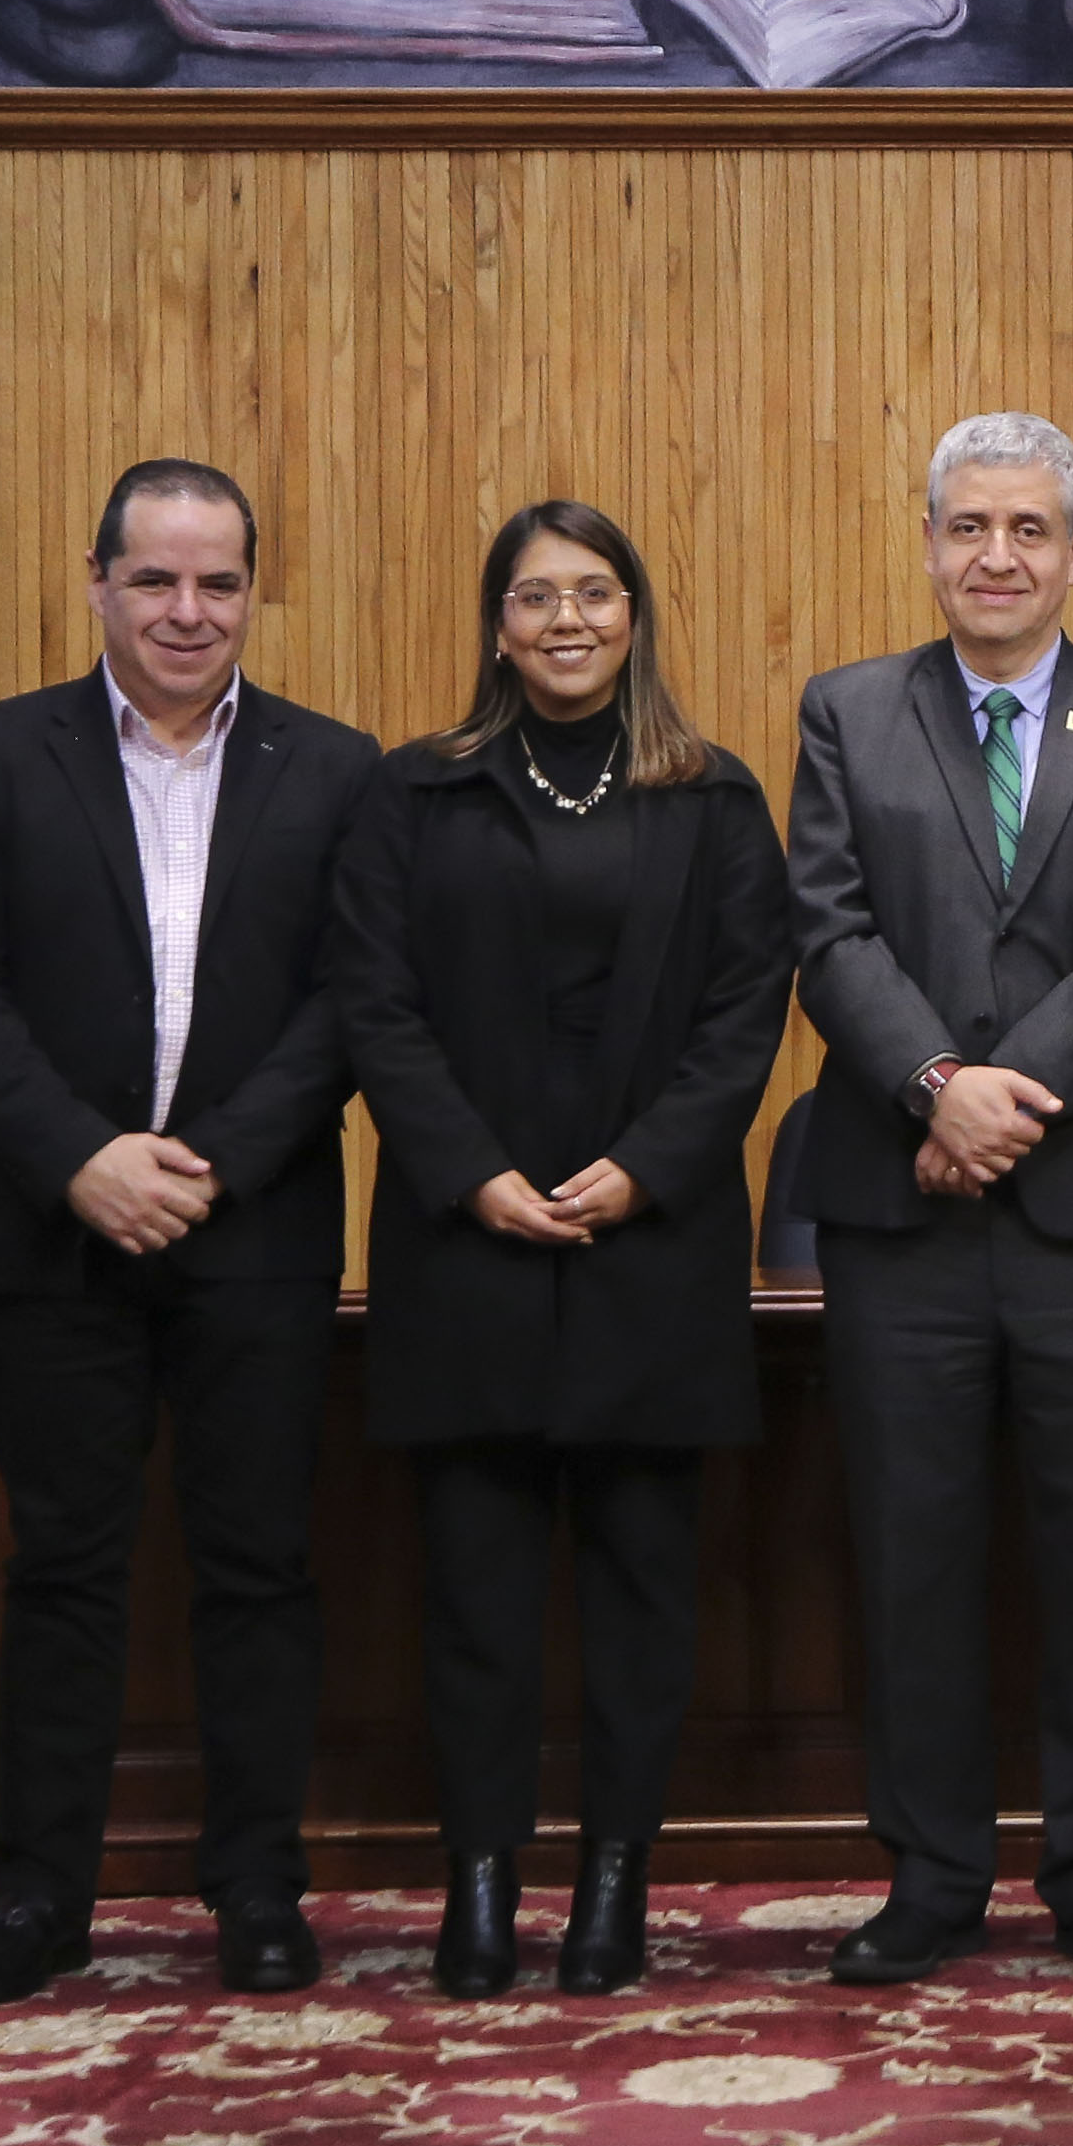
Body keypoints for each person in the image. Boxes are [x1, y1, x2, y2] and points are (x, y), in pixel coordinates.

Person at [0, 459, 379, 2006]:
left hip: (256, 1232)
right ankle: (42, 1895)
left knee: (259, 1566)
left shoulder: (336, 768)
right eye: (157, 578)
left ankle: (257, 1888)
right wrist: (84, 1159)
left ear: (253, 589)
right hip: (48, 1234)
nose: (189, 610)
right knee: (63, 1570)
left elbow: (350, 1000)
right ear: (98, 581)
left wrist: (208, 1165)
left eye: (218, 581)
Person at [779, 414, 1073, 1990]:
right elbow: (827, 928)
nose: (996, 554)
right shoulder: (847, 711)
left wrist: (999, 1094)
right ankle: (931, 1873)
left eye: (1029, 528)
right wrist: (931, 1084)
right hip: (899, 1212)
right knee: (911, 1554)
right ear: (928, 543)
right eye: (968, 525)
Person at [335, 499, 797, 1999]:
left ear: (633, 614)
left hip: (649, 1251)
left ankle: (613, 1882)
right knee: (472, 1597)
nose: (568, 621)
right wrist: (470, 1173)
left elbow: (747, 1010)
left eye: (594, 593)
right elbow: (374, 1003)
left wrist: (645, 1170)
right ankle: (478, 1881)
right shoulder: (416, 793)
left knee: (641, 1595)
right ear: (498, 625)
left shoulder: (712, 797)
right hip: (464, 1249)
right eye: (536, 597)